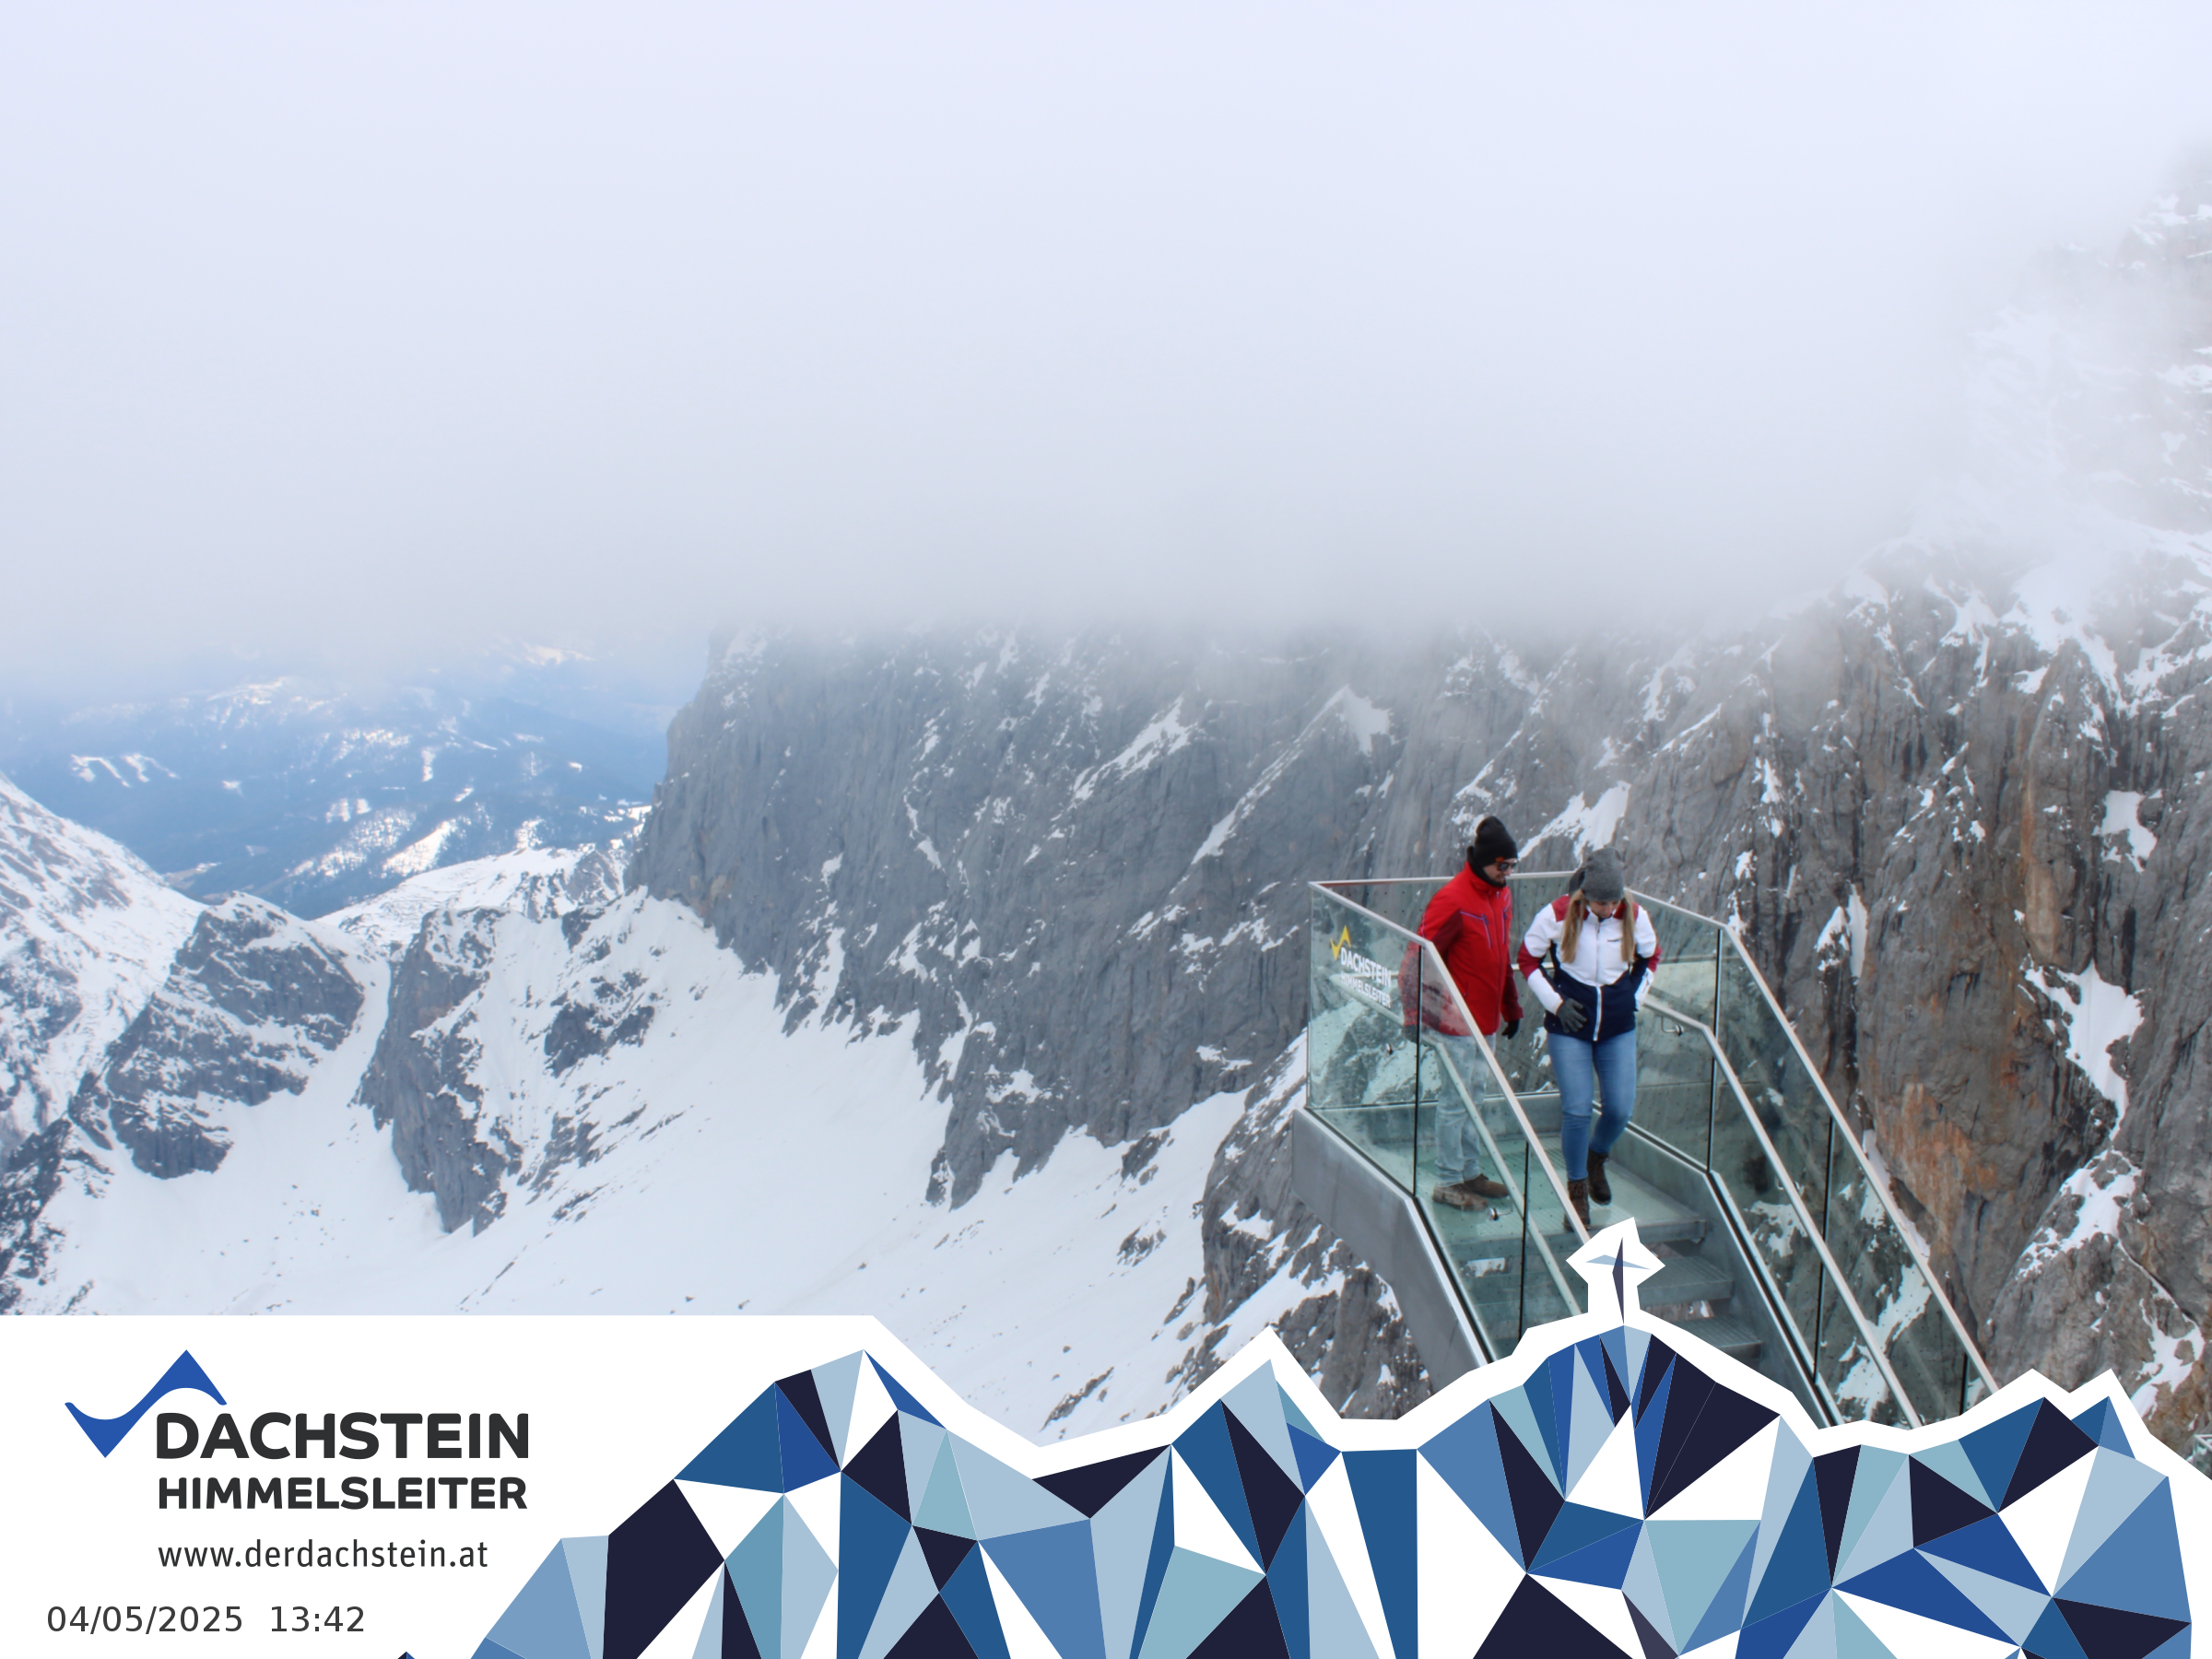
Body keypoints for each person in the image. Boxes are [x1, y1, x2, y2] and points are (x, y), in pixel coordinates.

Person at [1515, 846, 1662, 1229]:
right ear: (1585, 895)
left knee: (1620, 1109)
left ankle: (1597, 1156)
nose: (1608, 909)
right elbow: (1527, 959)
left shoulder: (1633, 915)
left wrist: (1635, 998)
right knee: (1577, 1109)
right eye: (1600, 902)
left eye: (1614, 901)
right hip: (1570, 1026)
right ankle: (1577, 1188)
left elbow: (1651, 957)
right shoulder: (1557, 915)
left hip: (1617, 1027)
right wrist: (1556, 1003)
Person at [1400, 817, 1523, 1209]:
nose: (1507, 872)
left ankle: (1470, 1173)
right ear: (1484, 861)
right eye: (1502, 865)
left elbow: (1501, 956)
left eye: (1513, 865)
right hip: (1455, 1022)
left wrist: (1511, 1006)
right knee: (1456, 1102)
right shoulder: (1453, 899)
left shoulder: (1501, 897)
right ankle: (1448, 1181)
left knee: (1476, 1097)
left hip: (1485, 1021)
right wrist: (1413, 1015)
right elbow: (1417, 955)